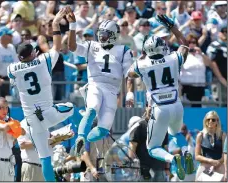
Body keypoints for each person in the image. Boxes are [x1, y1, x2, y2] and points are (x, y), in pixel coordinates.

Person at [6, 8, 77, 181]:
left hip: (32, 121)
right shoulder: (42, 61)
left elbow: (16, 73)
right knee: (71, 107)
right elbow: (57, 47)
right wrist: (55, 24)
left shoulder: (12, 69)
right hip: (48, 114)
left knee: (45, 158)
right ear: (33, 53)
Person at [128, 14, 190, 180]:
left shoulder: (142, 64)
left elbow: (130, 74)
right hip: (176, 105)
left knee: (153, 147)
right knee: (176, 133)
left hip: (159, 108)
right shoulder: (173, 58)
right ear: (162, 47)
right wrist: (173, 27)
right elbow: (185, 44)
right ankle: (186, 152)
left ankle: (173, 158)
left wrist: (129, 93)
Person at [65, 7, 134, 155]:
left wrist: (130, 93)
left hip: (112, 90)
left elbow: (129, 74)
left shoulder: (123, 50)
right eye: (100, 34)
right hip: (95, 85)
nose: (101, 37)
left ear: (114, 35)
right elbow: (72, 47)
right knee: (92, 109)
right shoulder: (92, 45)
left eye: (105, 34)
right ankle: (81, 137)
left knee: (103, 129)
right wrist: (72, 26)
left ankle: (84, 143)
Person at [129, 117, 169, 181]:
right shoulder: (139, 125)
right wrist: (132, 167)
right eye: (150, 106)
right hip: (143, 170)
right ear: (146, 108)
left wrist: (167, 168)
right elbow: (132, 146)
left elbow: (165, 148)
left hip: (159, 170)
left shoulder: (163, 127)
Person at [195, 111, 226, 181]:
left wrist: (217, 163)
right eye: (208, 119)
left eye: (213, 119)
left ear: (217, 122)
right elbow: (197, 156)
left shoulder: (223, 135)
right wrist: (210, 161)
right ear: (205, 121)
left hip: (220, 166)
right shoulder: (200, 135)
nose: (210, 121)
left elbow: (225, 153)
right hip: (205, 166)